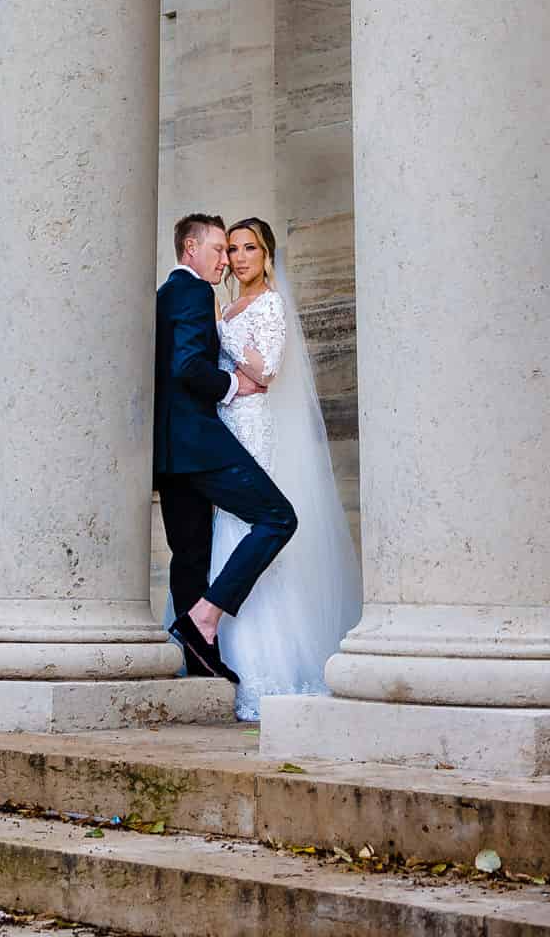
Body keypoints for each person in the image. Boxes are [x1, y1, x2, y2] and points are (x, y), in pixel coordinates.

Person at [211, 216, 362, 721]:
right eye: (232, 249)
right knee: (224, 530)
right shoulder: (229, 305)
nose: (239, 257)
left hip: (254, 429)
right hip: (226, 420)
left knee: (250, 525)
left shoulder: (269, 303)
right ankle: (222, 651)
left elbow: (268, 369)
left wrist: (225, 338)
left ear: (267, 254)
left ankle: (264, 666)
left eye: (249, 248)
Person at [153, 212, 298, 682]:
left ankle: (198, 661)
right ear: (191, 248)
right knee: (278, 518)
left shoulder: (162, 296)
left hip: (169, 454)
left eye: (237, 249)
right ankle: (206, 617)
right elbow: (188, 366)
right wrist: (233, 385)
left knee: (190, 553)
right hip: (200, 442)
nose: (227, 260)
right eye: (220, 249)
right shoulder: (196, 292)